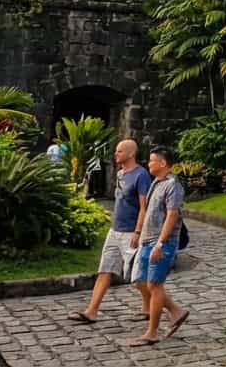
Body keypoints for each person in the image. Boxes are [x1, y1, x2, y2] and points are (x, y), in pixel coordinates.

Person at [68, 139, 152, 324]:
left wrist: (138, 232)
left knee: (137, 277)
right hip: (115, 231)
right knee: (104, 270)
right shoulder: (121, 174)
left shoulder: (141, 175)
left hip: (131, 231)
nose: (116, 154)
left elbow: (144, 207)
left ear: (131, 153)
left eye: (120, 151)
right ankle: (91, 310)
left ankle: (158, 306)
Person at [125, 146, 190, 348]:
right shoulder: (155, 183)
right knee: (140, 281)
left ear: (162, 163)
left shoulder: (173, 185)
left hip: (162, 243)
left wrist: (160, 242)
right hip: (147, 240)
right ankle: (176, 311)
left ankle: (152, 332)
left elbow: (172, 215)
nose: (149, 164)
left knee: (154, 285)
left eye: (152, 161)